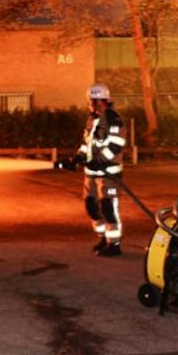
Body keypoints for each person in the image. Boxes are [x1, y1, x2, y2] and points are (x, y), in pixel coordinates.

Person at [77, 83, 127, 257]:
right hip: (91, 172)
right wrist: (80, 156)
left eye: (91, 100)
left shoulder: (113, 119)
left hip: (109, 173)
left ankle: (114, 244)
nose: (89, 103)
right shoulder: (92, 119)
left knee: (108, 207)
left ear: (100, 100)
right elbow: (87, 143)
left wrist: (100, 160)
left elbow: (116, 144)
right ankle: (103, 238)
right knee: (91, 206)